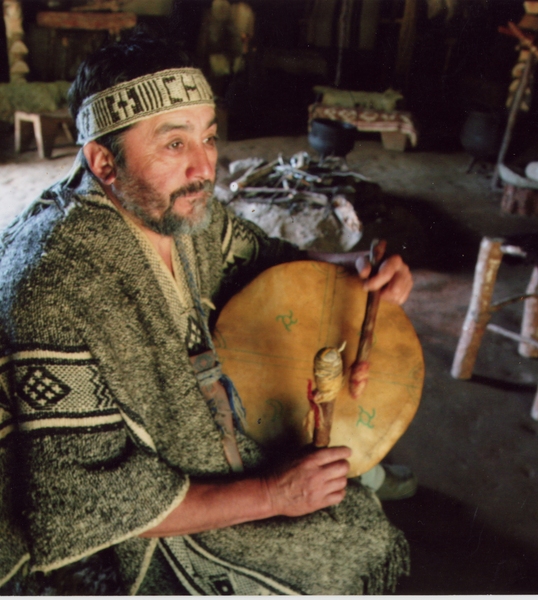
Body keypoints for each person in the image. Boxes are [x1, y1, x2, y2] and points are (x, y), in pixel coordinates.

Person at [0, 32, 414, 595]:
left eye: (209, 137)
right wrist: (273, 494)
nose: (204, 167)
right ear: (104, 162)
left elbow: (259, 256)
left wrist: (359, 268)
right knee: (348, 553)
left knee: (357, 521)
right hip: (121, 525)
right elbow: (82, 498)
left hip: (200, 438)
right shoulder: (49, 282)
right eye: (174, 145)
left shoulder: (176, 206)